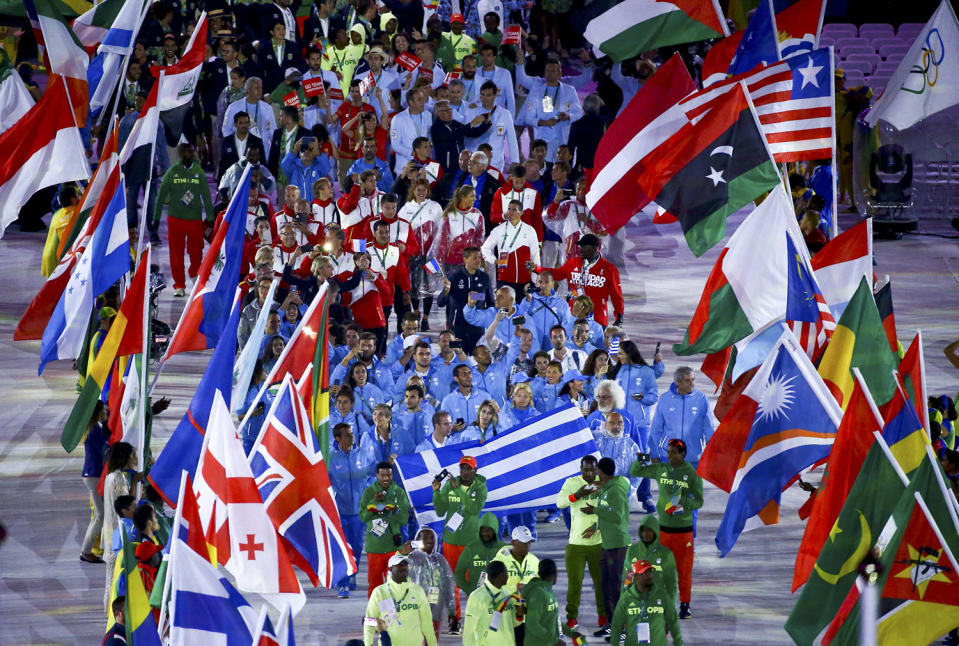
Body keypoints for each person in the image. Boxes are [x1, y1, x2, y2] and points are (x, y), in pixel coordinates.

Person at [630, 439, 704, 619]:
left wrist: (683, 503)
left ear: (683, 454)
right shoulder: (661, 469)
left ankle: (685, 604)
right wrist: (641, 459)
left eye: (673, 452)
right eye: (668, 452)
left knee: (684, 570)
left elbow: (699, 501)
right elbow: (635, 471)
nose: (669, 456)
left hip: (683, 532)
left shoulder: (692, 474)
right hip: (663, 531)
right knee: (659, 569)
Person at [432, 454, 488, 633]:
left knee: (472, 582)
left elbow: (474, 509)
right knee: (451, 582)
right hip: (451, 541)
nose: (465, 472)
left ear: (475, 470)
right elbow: (441, 511)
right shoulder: (449, 484)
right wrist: (436, 491)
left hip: (471, 543)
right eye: (462, 468)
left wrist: (457, 492)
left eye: (468, 468)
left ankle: (474, 618)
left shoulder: (480, 488)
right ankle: (454, 619)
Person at [153, 143, 215, 296]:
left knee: (196, 251)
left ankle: (194, 273)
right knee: (176, 253)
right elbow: (160, 196)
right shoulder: (172, 172)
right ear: (181, 154)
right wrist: (155, 217)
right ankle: (179, 285)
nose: (189, 153)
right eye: (186, 151)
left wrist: (210, 216)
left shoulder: (198, 172)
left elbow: (206, 195)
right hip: (175, 219)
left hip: (194, 219)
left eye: (191, 151)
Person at [556, 455, 605, 631]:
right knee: (574, 583)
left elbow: (615, 508)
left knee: (600, 583)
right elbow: (560, 503)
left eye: (593, 470)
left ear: (598, 469)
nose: (590, 473)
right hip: (575, 543)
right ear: (580, 469)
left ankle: (603, 615)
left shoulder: (604, 483)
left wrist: (597, 526)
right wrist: (578, 494)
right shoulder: (571, 482)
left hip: (598, 543)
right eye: (586, 470)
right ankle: (571, 618)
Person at [583, 457, 630, 640]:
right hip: (607, 544)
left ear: (602, 471)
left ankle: (622, 628)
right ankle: (612, 624)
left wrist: (594, 511)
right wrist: (594, 528)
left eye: (597, 470)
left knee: (617, 588)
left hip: (617, 546)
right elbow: (607, 514)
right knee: (605, 586)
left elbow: (617, 516)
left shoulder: (615, 490)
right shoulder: (607, 488)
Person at [536, 233, 624, 327]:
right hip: (574, 316)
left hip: (597, 319)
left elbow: (616, 294)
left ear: (595, 248)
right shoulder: (572, 263)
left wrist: (619, 316)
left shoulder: (609, 269)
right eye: (580, 246)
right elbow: (557, 274)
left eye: (584, 247)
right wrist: (536, 269)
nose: (580, 249)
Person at [329, 423, 375, 597]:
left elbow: (372, 474)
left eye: (352, 434)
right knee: (342, 546)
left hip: (358, 511)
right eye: (347, 435)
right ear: (338, 438)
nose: (352, 437)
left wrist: (367, 492)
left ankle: (352, 573)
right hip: (339, 511)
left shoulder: (364, 455)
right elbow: (325, 481)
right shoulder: (331, 459)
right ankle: (343, 582)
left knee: (356, 545)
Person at [359, 461, 411, 597]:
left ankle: (395, 617)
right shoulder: (369, 492)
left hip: (394, 547)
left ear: (392, 475)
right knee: (374, 586)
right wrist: (375, 503)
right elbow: (363, 517)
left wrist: (394, 509)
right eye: (382, 475)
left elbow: (404, 519)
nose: (386, 478)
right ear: (377, 475)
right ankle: (374, 617)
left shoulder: (399, 493)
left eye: (388, 475)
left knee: (396, 584)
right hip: (375, 547)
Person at [364, 553, 438, 646]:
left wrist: (433, 644)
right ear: (390, 569)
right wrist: (367, 643)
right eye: (399, 565)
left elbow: (426, 622)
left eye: (405, 564)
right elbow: (369, 620)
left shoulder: (418, 591)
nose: (403, 567)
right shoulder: (379, 592)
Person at [649, 367, 714, 466]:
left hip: (693, 457)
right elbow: (656, 427)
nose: (692, 383)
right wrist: (654, 453)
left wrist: (711, 451)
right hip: (668, 457)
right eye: (687, 381)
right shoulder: (664, 399)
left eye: (693, 379)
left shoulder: (701, 398)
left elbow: (708, 426)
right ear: (678, 382)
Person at [610, 560, 683, 646]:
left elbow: (673, 620)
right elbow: (616, 625)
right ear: (636, 576)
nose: (649, 576)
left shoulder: (662, 595)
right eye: (644, 573)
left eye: (650, 572)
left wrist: (678, 642)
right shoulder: (626, 599)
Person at [404, 526, 457, 637]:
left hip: (435, 610)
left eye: (432, 538)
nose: (429, 541)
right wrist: (404, 554)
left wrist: (452, 611)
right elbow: (397, 579)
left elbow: (448, 585)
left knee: (431, 638)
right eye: (425, 538)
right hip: (414, 609)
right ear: (417, 541)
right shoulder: (410, 558)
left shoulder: (439, 559)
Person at [438, 246, 494, 353]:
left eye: (479, 257)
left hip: (477, 328)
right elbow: (441, 303)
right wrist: (446, 291)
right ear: (465, 259)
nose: (478, 261)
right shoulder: (454, 276)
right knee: (457, 358)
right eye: (475, 258)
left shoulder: (485, 277)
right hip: (457, 327)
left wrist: (486, 319)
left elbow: (490, 301)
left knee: (477, 358)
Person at [481, 199, 540, 296]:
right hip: (504, 279)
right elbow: (485, 248)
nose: (510, 212)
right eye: (509, 209)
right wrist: (494, 260)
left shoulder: (529, 230)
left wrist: (535, 278)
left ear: (521, 213)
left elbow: (535, 255)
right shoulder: (498, 230)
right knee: (505, 309)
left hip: (525, 280)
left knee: (523, 310)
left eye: (514, 210)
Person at [522, 558, 584, 646]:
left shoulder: (548, 591)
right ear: (556, 574)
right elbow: (532, 624)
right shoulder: (538, 593)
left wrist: (571, 633)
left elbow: (554, 620)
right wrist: (554, 640)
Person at [462, 560, 524, 646]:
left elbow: (513, 623)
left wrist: (519, 615)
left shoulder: (508, 595)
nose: (508, 576)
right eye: (505, 573)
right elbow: (469, 632)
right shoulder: (477, 597)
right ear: (498, 576)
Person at [623, 516, 679, 608]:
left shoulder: (666, 554)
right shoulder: (632, 551)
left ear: (655, 531)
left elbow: (671, 584)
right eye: (643, 530)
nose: (646, 534)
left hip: (658, 605)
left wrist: (670, 608)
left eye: (649, 530)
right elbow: (626, 579)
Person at [80, 401, 109, 563]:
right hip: (94, 475)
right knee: (100, 515)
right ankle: (85, 551)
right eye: (104, 411)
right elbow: (105, 450)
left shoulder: (92, 428)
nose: (106, 413)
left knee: (99, 515)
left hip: (91, 474)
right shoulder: (95, 431)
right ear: (98, 413)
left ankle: (86, 550)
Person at [454, 511, 506, 596]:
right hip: (477, 598)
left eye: (488, 530)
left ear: (495, 530)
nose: (485, 533)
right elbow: (459, 573)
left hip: (500, 598)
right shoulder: (471, 548)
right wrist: (468, 590)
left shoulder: (504, 549)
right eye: (482, 530)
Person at [491, 525, 539, 596]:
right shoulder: (498, 561)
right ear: (513, 542)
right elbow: (484, 587)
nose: (527, 546)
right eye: (524, 543)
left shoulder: (534, 560)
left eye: (529, 542)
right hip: (505, 604)